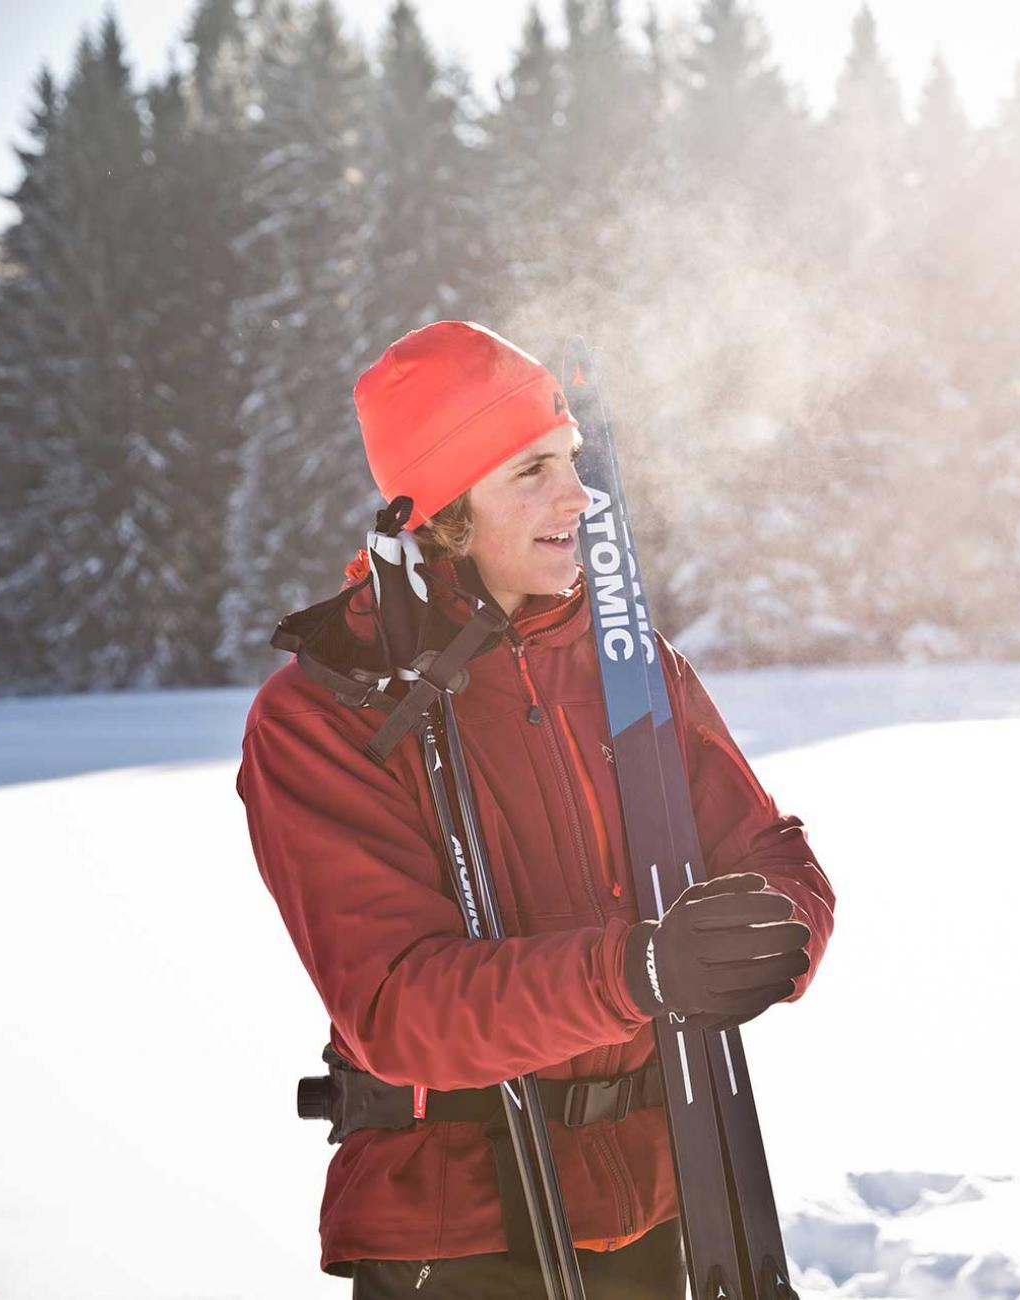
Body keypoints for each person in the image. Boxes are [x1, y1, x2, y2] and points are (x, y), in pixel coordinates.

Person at [238, 321, 835, 1298]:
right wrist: (642, 969)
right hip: (462, 1227)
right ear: (439, 509)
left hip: (670, 1198)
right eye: (531, 471)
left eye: (571, 459)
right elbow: (400, 1005)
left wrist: (768, 931)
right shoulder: (327, 710)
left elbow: (768, 851)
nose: (578, 495)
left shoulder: (631, 665)